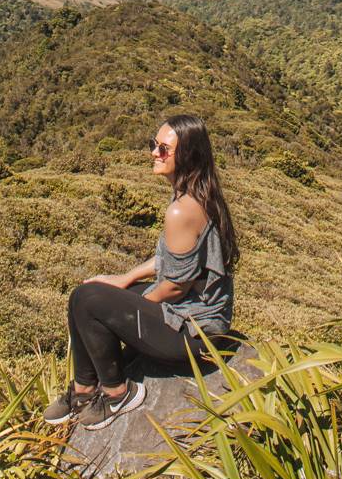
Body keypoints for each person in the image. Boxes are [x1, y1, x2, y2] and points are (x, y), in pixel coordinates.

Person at [43, 112, 238, 431]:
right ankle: (83, 389)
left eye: (164, 148)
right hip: (194, 318)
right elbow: (170, 260)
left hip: (195, 335)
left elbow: (174, 286)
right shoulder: (196, 194)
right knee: (90, 295)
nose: (154, 153)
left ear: (187, 155)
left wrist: (132, 306)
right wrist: (125, 280)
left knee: (88, 300)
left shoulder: (182, 210)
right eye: (154, 144)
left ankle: (118, 393)